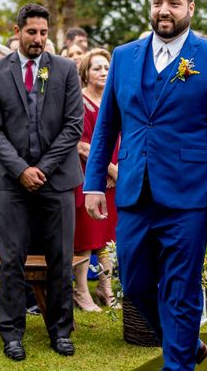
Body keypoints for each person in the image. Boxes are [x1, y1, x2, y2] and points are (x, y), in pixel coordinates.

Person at [84, 0, 207, 370]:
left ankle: (178, 363)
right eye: (158, 2)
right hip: (135, 191)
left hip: (191, 195)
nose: (164, 10)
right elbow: (107, 126)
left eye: (174, 3)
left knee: (180, 287)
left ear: (190, 8)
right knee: (136, 284)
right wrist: (92, 184)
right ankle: (187, 345)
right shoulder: (124, 57)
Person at [0, 3, 83, 361]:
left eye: (43, 33)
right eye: (31, 32)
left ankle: (60, 331)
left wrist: (44, 167)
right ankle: (11, 333)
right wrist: (20, 169)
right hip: (12, 184)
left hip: (57, 181)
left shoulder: (67, 69)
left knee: (59, 258)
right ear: (17, 30)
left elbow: (74, 124)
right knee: (11, 260)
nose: (38, 39)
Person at [73, 49, 118, 312]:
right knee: (86, 237)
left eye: (106, 68)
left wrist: (118, 170)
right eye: (96, 68)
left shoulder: (113, 100)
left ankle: (105, 286)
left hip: (112, 180)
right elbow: (82, 146)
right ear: (85, 73)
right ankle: (80, 292)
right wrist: (110, 171)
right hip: (88, 178)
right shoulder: (80, 102)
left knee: (108, 237)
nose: (102, 72)